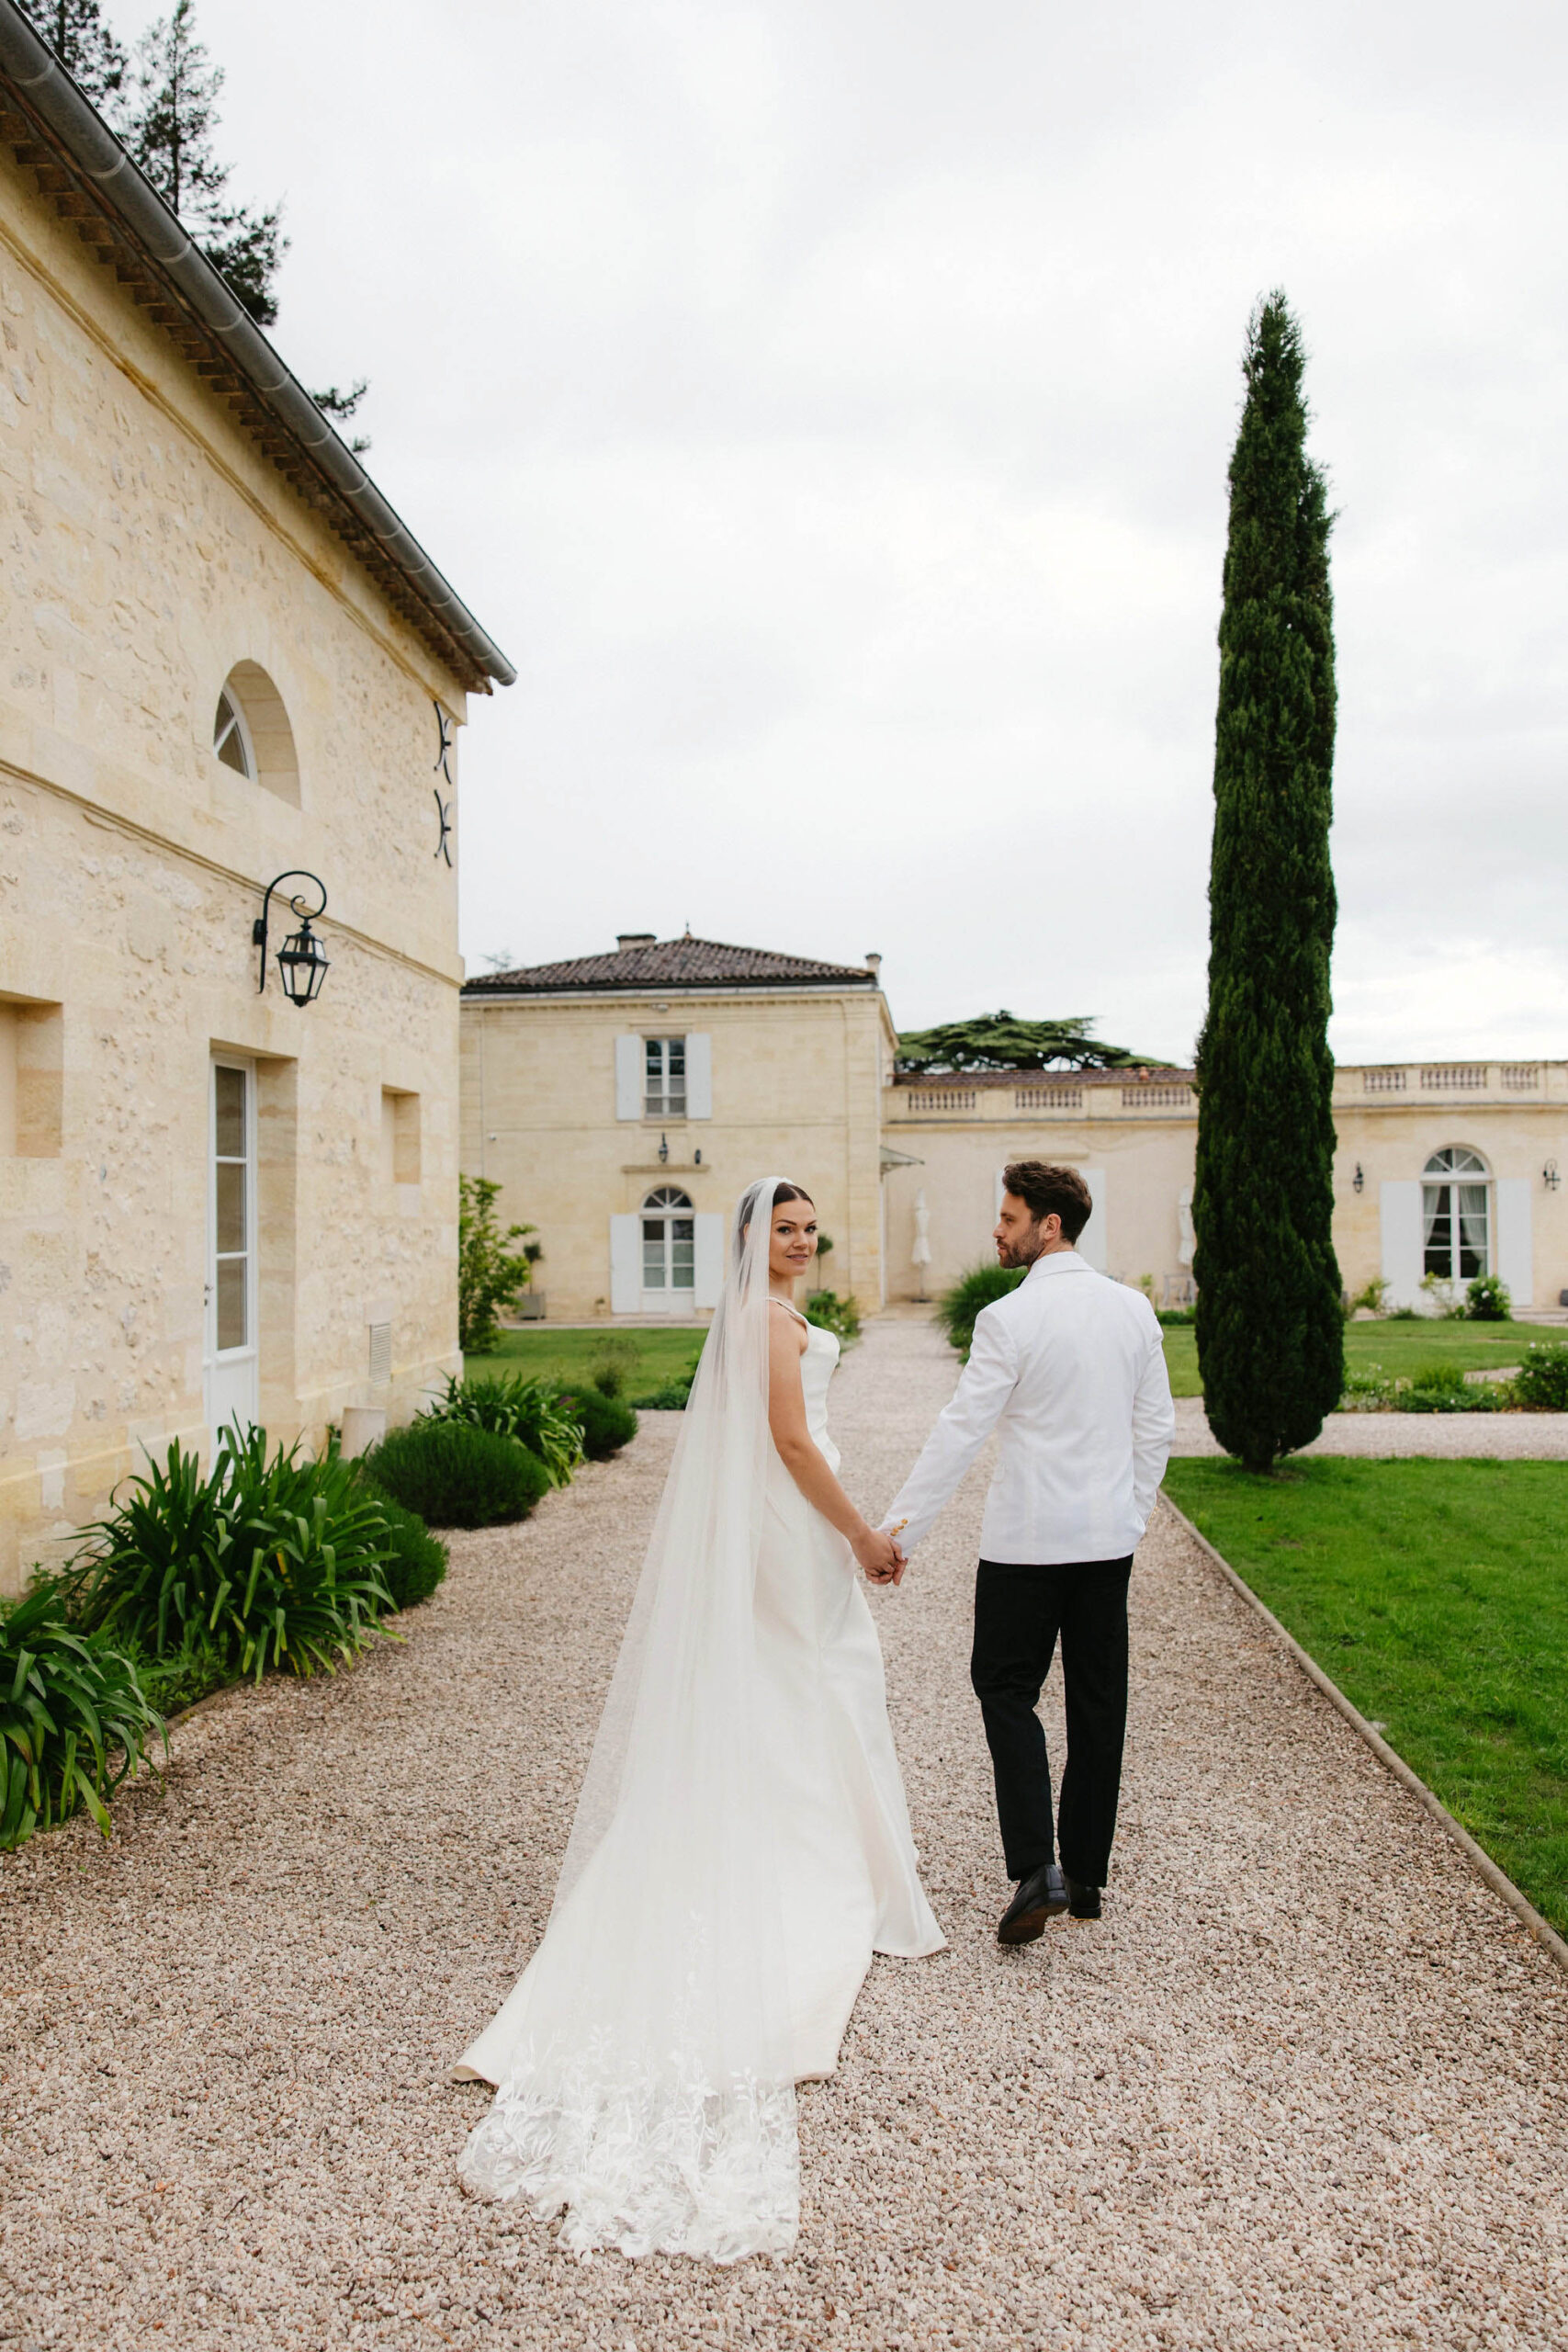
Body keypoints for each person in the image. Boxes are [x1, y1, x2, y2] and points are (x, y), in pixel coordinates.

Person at [455, 1179, 943, 2262]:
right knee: (820, 1675)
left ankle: (807, 1844)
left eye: (811, 1227)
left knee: (800, 1682)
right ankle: (815, 1870)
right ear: (749, 1242)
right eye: (786, 1228)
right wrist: (862, 1533)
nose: (804, 1241)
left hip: (779, 1520)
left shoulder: (762, 1314)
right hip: (791, 1517)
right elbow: (792, 1441)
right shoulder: (766, 1318)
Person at [874, 1161, 1173, 1946]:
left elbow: (959, 1433)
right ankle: (1083, 1875)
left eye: (1007, 1218)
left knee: (1006, 1691)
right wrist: (1131, 1516)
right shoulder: (1133, 1309)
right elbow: (1156, 1430)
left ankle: (1035, 1868)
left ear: (1048, 1226)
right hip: (1107, 1542)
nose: (996, 1231)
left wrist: (899, 1533)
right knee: (1098, 1703)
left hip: (1025, 1545)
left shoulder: (1009, 1320)